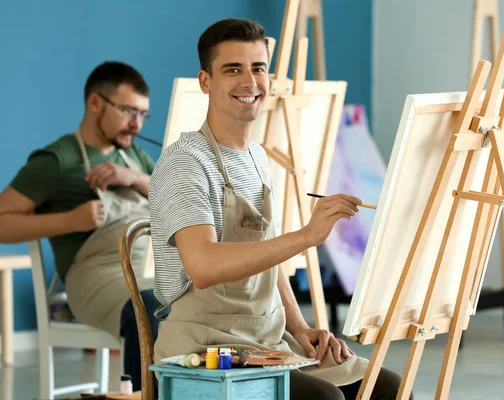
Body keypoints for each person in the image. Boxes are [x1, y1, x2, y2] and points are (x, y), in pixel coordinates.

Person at [149, 19, 413, 399]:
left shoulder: (257, 157)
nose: (249, 81)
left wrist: (302, 328)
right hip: (205, 346)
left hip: (267, 339)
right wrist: (307, 236)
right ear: (205, 81)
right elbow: (203, 266)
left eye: (258, 68)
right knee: (327, 398)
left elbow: (268, 261)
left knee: (386, 388)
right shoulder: (186, 162)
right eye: (232, 69)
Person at [0, 61, 161, 391]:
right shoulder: (56, 161)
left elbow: (176, 200)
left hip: (144, 270)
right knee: (147, 313)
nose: (136, 124)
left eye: (143, 114)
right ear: (95, 103)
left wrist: (134, 177)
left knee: (196, 306)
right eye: (129, 111)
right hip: (93, 278)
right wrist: (69, 221)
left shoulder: (135, 158)